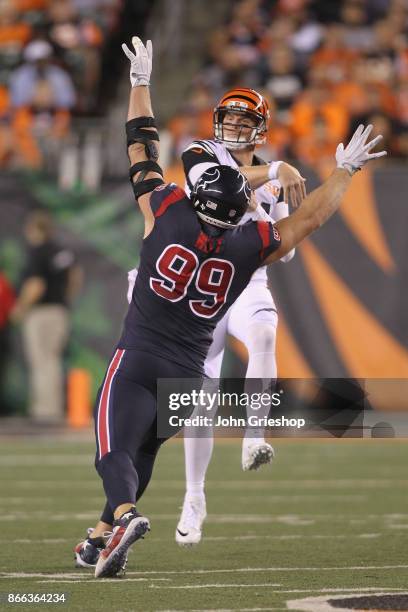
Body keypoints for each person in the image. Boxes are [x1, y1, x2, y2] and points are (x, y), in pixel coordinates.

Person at [74, 37, 385, 579]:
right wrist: (345, 172)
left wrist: (140, 84)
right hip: (189, 368)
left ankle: (123, 515)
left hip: (141, 352)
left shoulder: (167, 210)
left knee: (112, 451)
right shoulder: (249, 245)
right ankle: (99, 540)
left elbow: (141, 144)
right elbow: (308, 219)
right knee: (144, 450)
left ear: (194, 194)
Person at [128, 86, 306, 547]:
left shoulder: (272, 174)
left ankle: (254, 434)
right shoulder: (202, 150)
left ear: (261, 128)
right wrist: (273, 174)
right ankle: (194, 496)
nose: (236, 127)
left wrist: (264, 206)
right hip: (201, 281)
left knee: (265, 334)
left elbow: (283, 253)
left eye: (246, 122)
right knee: (200, 394)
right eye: (231, 118)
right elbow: (216, 176)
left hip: (242, 278)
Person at [11, 210, 82, 423]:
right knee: (52, 359)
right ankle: (51, 409)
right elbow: (76, 276)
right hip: (59, 311)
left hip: (41, 313)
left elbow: (36, 285)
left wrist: (21, 307)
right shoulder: (61, 251)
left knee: (41, 360)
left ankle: (45, 411)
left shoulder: (38, 251)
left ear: (34, 229)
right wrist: (64, 298)